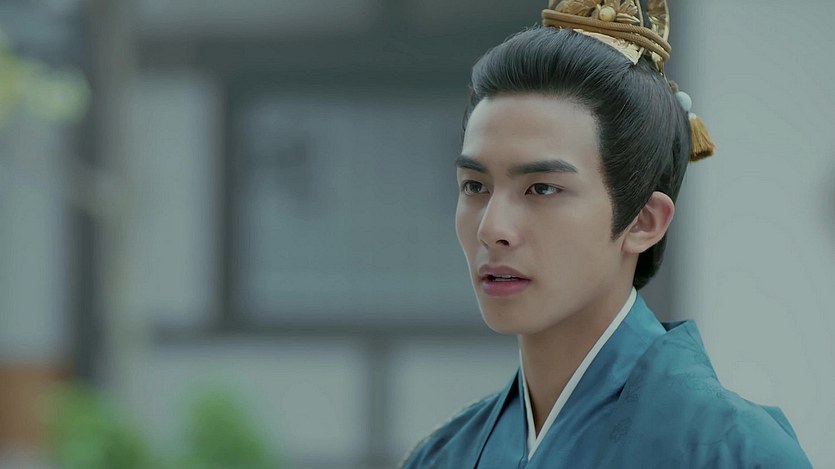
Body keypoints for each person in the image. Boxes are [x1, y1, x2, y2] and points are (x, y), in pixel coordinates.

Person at [400, 1, 812, 467]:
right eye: (475, 186)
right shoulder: (443, 456)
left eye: (542, 188)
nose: (492, 229)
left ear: (643, 221)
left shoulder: (736, 453)